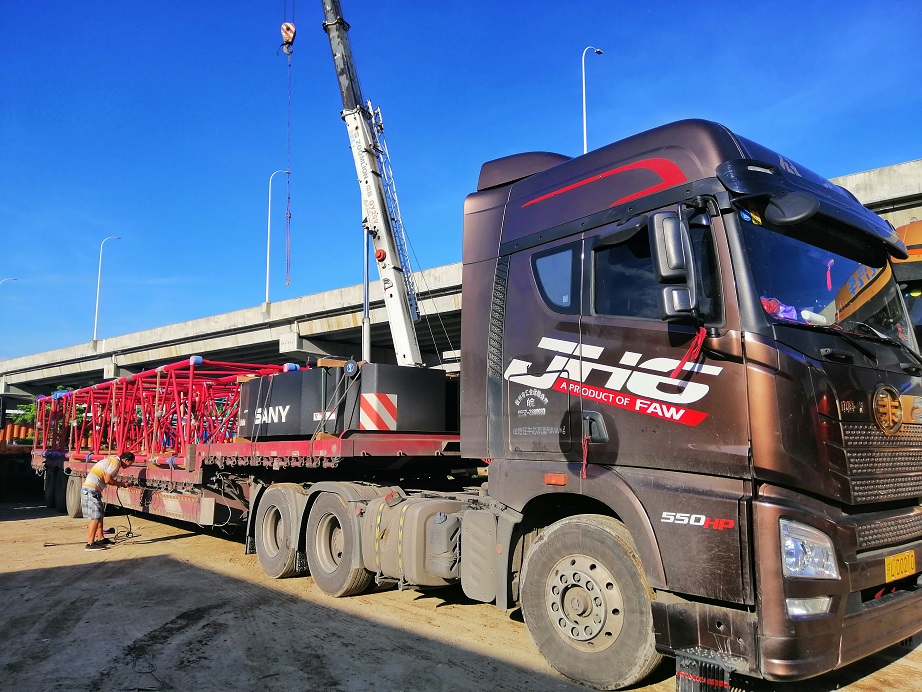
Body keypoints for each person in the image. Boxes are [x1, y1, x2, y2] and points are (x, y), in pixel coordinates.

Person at [81, 451, 134, 551]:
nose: (129, 466)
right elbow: (107, 480)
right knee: (95, 517)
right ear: (126, 460)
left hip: (93, 490)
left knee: (99, 516)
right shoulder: (115, 463)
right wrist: (121, 484)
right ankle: (90, 543)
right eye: (129, 463)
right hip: (91, 490)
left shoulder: (112, 460)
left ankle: (101, 538)